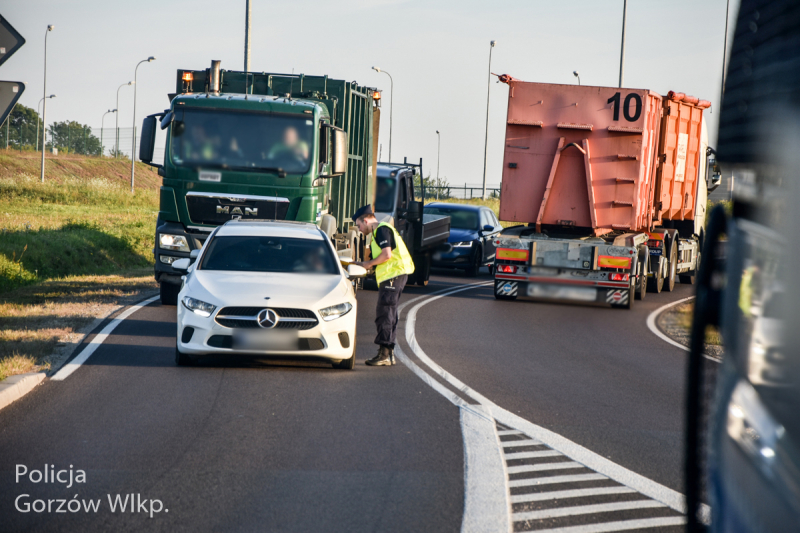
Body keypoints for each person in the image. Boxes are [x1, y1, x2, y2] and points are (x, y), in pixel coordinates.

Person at [352, 205, 415, 366]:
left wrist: (368, 264)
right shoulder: (378, 232)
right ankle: (388, 353)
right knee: (389, 313)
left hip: (393, 275)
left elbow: (386, 255)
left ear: (366, 220)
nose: (359, 230)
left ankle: (385, 354)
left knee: (385, 313)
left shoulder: (381, 229)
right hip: (394, 275)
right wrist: (366, 265)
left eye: (359, 225)